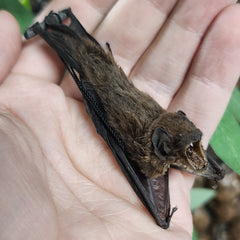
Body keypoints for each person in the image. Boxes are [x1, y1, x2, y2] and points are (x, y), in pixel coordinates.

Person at [0, 0, 240, 239]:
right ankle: (53, 29)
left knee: (98, 59)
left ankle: (62, 25)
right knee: (87, 66)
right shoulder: (150, 159)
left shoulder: (163, 145)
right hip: (105, 97)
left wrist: (206, 169)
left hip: (119, 84)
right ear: (163, 147)